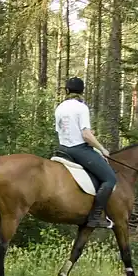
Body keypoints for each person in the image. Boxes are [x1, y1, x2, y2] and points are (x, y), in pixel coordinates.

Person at [54, 77, 117, 228]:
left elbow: (61, 130)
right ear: (81, 91)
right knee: (110, 179)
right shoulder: (81, 107)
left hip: (62, 149)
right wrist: (102, 148)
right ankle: (95, 216)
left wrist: (88, 133)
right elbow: (86, 136)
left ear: (67, 90)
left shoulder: (60, 107)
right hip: (79, 149)